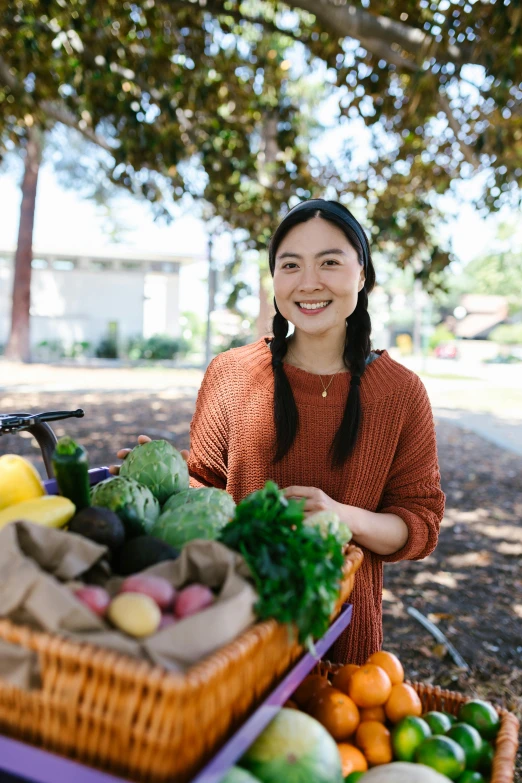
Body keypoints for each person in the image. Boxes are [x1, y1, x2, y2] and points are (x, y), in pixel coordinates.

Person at [112, 199, 445, 664]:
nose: (309, 282)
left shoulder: (401, 393)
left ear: (362, 275)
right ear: (275, 279)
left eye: (330, 262)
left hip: (342, 640)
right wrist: (157, 481)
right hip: (231, 629)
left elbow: (419, 524)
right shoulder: (231, 373)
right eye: (291, 265)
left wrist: (339, 515)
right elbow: (204, 485)